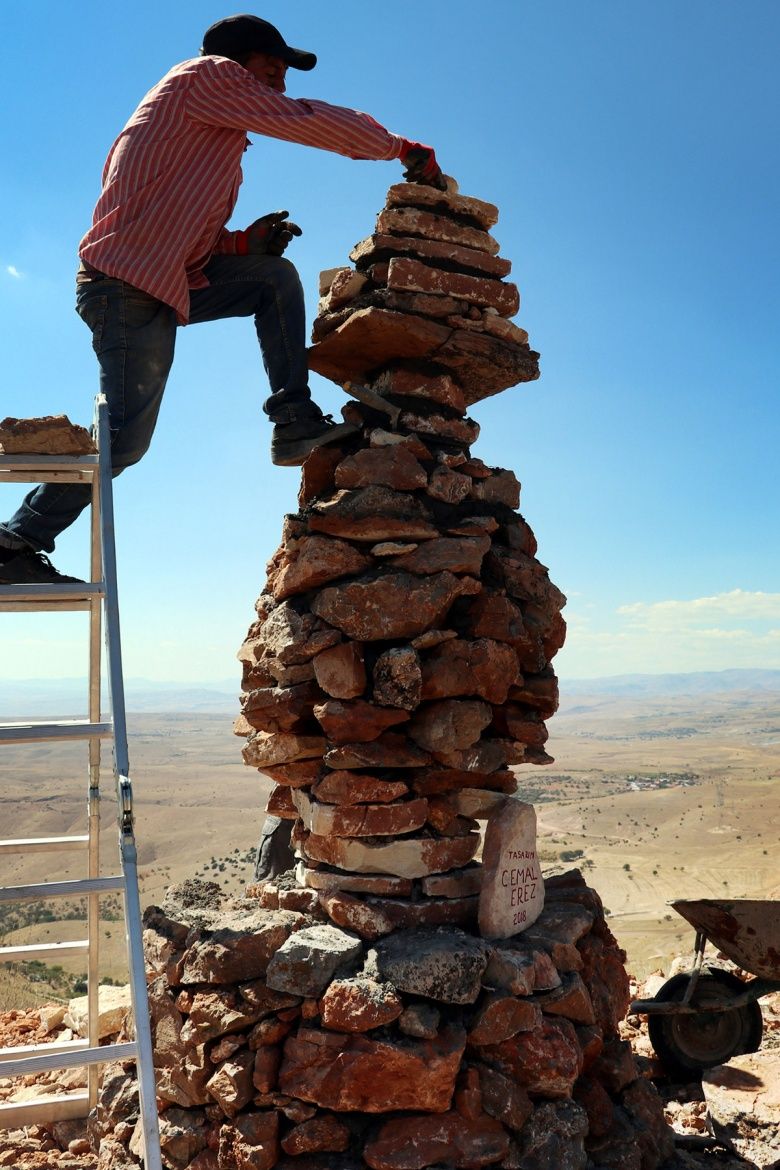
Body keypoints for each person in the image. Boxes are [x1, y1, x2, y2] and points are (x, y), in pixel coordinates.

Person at [0, 14, 445, 586]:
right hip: (125, 285)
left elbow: (186, 235)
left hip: (159, 280)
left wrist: (242, 243)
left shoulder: (210, 130)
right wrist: (400, 148)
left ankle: (293, 418)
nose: (281, 82)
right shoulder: (204, 76)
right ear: (238, 62)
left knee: (271, 276)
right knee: (124, 440)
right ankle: (14, 542)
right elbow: (306, 121)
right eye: (272, 67)